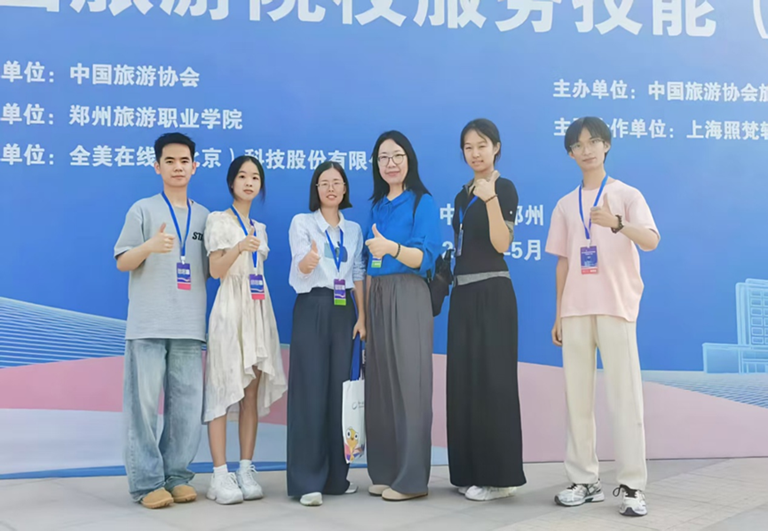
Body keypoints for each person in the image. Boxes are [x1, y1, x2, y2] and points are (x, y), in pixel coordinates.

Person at [545, 117, 660, 517]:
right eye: (578, 145)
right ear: (570, 154)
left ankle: (632, 485)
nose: (587, 150)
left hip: (616, 306)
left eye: (593, 141)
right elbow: (562, 262)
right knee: (577, 400)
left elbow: (651, 240)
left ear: (607, 145)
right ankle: (584, 480)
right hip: (576, 309)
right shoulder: (565, 205)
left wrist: (617, 224)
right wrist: (559, 313)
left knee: (625, 398)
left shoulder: (626, 194)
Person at [114, 132, 209, 509]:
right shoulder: (142, 210)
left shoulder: (205, 216)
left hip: (189, 325)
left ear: (194, 166)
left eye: (184, 161)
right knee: (142, 407)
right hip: (148, 324)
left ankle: (176, 476)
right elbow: (123, 261)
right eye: (169, 161)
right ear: (157, 167)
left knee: (187, 408)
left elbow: (212, 268)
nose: (177, 167)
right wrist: (149, 247)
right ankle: (146, 482)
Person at [447, 119, 527, 502]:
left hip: (493, 293)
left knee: (494, 384)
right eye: (468, 147)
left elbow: (501, 243)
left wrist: (491, 198)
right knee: (464, 384)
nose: (475, 153)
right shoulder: (461, 195)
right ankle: (469, 471)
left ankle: (500, 478)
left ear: (496, 147)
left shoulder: (503, 187)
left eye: (482, 145)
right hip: (462, 294)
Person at [203, 155, 287, 505]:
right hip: (229, 309)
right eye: (242, 176)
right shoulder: (218, 220)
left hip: (257, 309)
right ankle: (219, 474)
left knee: (251, 390)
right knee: (223, 388)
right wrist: (238, 247)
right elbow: (215, 271)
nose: (249, 182)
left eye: (255, 177)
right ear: (231, 182)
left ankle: (245, 468)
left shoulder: (260, 228)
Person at [363, 131, 442, 502]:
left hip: (409, 293)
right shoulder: (378, 206)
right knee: (381, 386)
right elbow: (368, 262)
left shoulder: (422, 202)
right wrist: (365, 313)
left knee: (410, 385)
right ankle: (385, 471)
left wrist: (392, 247)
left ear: (409, 159)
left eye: (396, 155)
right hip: (377, 294)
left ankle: (411, 480)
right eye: (383, 157)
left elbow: (425, 258)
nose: (390, 163)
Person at [286, 161, 366, 507]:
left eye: (337, 182)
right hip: (313, 306)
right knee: (310, 391)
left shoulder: (354, 229)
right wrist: (309, 261)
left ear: (345, 189)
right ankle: (307, 481)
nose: (331, 188)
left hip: (344, 311)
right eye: (324, 183)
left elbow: (358, 272)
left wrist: (363, 316)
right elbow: (300, 264)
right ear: (315, 189)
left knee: (339, 393)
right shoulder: (302, 223)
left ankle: (336, 477)